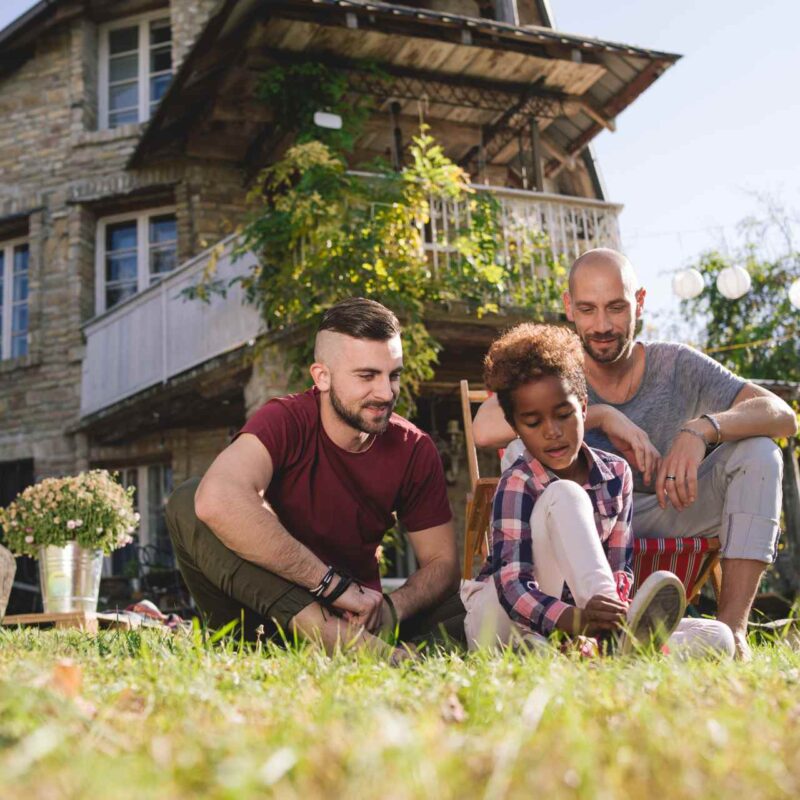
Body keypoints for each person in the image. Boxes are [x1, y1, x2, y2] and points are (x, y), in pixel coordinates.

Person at [473, 249, 797, 658]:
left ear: (639, 302)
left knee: (761, 452)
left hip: (665, 510)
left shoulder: (677, 364)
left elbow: (782, 415)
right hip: (571, 533)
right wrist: (603, 416)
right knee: (523, 448)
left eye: (616, 307)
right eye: (588, 309)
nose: (603, 325)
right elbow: (484, 427)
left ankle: (732, 633)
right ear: (568, 307)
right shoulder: (559, 372)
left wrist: (700, 431)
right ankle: (593, 632)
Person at [166, 297, 465, 661]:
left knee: (476, 602)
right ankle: (336, 639)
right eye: (367, 376)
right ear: (322, 377)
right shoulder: (285, 419)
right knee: (190, 499)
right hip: (260, 619)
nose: (387, 393)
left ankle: (370, 645)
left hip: (360, 619)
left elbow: (443, 563)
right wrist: (331, 587)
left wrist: (391, 607)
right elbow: (217, 498)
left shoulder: (414, 448)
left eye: (394, 375)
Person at [462, 322, 734, 657]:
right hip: (501, 621)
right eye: (533, 423)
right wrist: (578, 621)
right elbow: (513, 586)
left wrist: (603, 616)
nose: (552, 432)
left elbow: (619, 567)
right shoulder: (518, 481)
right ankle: (613, 641)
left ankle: (599, 649)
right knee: (566, 494)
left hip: (580, 627)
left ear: (585, 408)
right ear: (516, 427)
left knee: (718, 636)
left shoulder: (617, 473)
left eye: (564, 415)